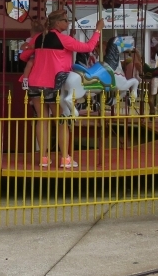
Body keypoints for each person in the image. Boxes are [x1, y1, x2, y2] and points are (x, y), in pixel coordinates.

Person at [20, 10, 103, 169]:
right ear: (57, 23)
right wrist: (98, 30)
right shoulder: (64, 39)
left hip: (35, 83)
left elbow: (24, 56)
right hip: (54, 83)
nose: (67, 22)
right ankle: (64, 158)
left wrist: (38, 55)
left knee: (41, 120)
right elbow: (88, 47)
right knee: (61, 120)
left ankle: (44, 158)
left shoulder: (39, 38)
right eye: (65, 20)